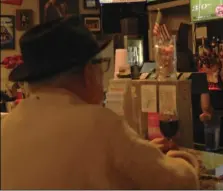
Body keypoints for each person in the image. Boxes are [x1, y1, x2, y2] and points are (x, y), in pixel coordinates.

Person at [1, 16, 199, 190]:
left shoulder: (7, 126)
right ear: (88, 73)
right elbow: (182, 183)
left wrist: (144, 152)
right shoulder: (100, 124)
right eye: (100, 65)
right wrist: (180, 158)